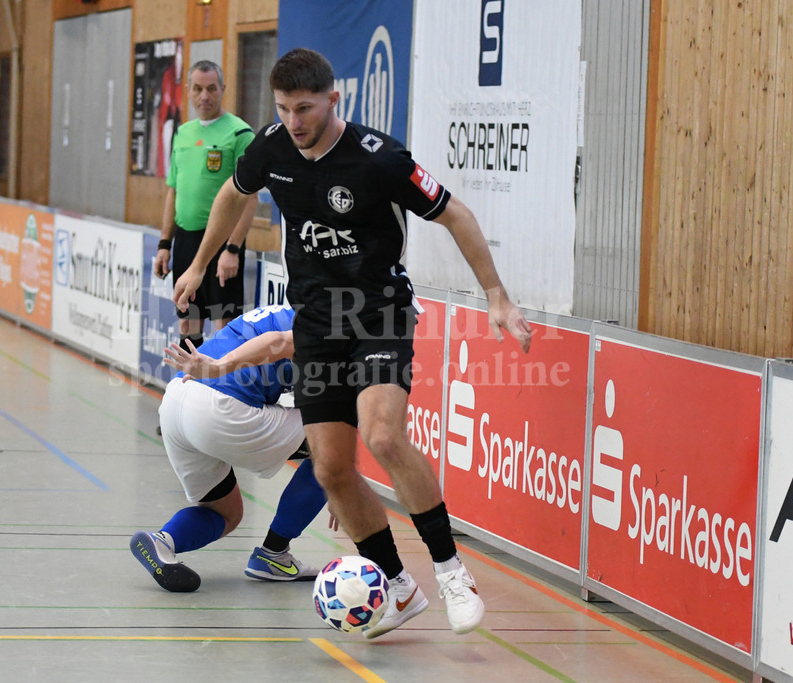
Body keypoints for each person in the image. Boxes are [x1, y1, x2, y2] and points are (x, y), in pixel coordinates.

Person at [173, 48, 533, 638]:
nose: (295, 121)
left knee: (384, 434)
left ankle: (450, 573)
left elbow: (457, 215)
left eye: (306, 108)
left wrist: (496, 294)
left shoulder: (381, 159)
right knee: (333, 471)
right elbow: (233, 195)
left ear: (334, 99)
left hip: (379, 314)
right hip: (316, 323)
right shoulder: (271, 147)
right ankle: (398, 586)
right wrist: (200, 264)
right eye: (285, 108)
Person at [130, 304, 327, 592]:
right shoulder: (330, 322)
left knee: (225, 513)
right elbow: (282, 345)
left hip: (176, 399)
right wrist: (337, 475)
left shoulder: (280, 310)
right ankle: (274, 555)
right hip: (219, 405)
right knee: (334, 445)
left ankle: (162, 541)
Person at [153, 60, 257, 350]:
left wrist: (233, 249)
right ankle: (189, 389)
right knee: (188, 321)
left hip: (222, 243)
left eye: (211, 88)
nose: (205, 96)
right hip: (186, 239)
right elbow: (173, 191)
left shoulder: (239, 134)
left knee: (225, 326)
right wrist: (165, 243)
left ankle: (222, 391)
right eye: (197, 89)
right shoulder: (183, 133)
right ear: (187, 90)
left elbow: (249, 198)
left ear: (222, 89)